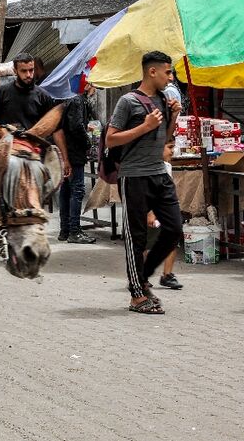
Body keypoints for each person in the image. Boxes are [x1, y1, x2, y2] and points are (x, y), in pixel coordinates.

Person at [106, 51, 183, 314]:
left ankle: (144, 276)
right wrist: (145, 126)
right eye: (168, 72)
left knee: (174, 229)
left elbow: (164, 141)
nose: (171, 78)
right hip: (134, 176)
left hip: (158, 173)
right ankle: (137, 295)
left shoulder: (163, 99)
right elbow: (111, 139)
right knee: (136, 237)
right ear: (153, 72)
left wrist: (172, 118)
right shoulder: (128, 102)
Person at [0, 52, 69, 176]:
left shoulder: (43, 96)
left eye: (31, 70)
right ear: (15, 71)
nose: (28, 75)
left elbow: (56, 130)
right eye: (24, 71)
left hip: (34, 155)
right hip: (8, 154)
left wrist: (64, 159)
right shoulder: (1, 93)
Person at [58, 81, 97, 244]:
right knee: (77, 190)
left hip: (69, 150)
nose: (95, 89)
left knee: (67, 189)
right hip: (74, 152)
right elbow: (76, 125)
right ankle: (74, 230)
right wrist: (88, 142)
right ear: (87, 84)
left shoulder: (70, 99)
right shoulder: (77, 100)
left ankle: (65, 229)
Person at [146, 142, 183, 290]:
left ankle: (167, 275)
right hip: (152, 211)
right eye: (169, 147)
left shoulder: (167, 166)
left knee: (172, 240)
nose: (172, 151)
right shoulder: (149, 168)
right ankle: (141, 276)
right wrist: (150, 213)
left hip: (165, 210)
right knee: (146, 244)